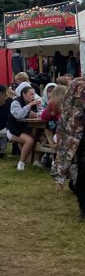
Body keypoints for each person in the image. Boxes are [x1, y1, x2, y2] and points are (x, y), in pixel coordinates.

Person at [52, 77, 85, 218]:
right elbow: (67, 112)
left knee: (81, 167)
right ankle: (82, 203)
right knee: (81, 167)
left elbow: (65, 112)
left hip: (75, 135)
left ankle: (82, 201)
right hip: (78, 135)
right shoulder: (78, 85)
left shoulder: (75, 84)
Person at [8, 86, 42, 171]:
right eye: (31, 94)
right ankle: (21, 163)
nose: (33, 96)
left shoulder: (33, 104)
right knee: (30, 140)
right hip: (14, 130)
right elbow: (18, 115)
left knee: (43, 138)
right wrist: (29, 105)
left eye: (34, 94)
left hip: (28, 129)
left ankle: (37, 161)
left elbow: (41, 111)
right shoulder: (16, 103)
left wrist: (36, 115)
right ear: (23, 94)